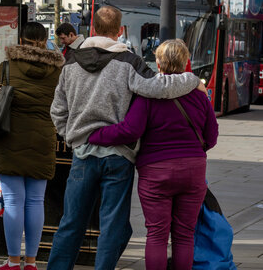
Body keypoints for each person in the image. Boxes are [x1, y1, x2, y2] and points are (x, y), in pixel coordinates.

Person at [48, 6, 205, 270]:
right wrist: (191, 79)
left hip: (83, 153)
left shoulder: (71, 63)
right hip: (118, 156)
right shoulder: (129, 62)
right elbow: (157, 87)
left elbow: (57, 110)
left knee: (71, 221)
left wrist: (73, 137)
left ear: (93, 28)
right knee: (113, 224)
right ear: (120, 31)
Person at [88, 39, 218, 270]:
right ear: (186, 62)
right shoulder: (200, 96)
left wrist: (95, 134)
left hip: (156, 170)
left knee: (157, 234)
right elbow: (212, 136)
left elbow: (130, 130)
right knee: (185, 234)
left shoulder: (148, 95)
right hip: (193, 169)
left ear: (158, 63)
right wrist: (191, 153)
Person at [0, 23, 65, 270]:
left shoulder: (7, 67)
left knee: (12, 201)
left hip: (10, 138)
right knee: (35, 201)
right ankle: (31, 262)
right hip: (42, 139)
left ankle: (12, 261)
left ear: (21, 39)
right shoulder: (57, 71)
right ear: (45, 40)